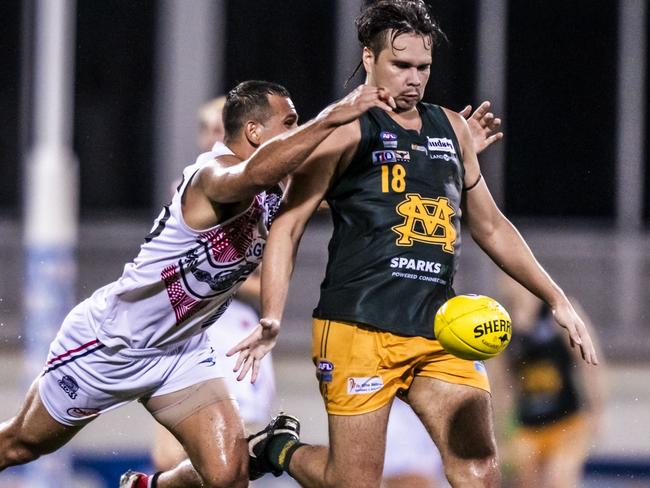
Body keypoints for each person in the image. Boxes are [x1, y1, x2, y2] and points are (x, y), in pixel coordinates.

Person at [230, 2, 598, 487]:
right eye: (400, 65)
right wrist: (273, 316)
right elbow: (289, 224)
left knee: (479, 470)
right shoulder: (341, 129)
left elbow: (490, 226)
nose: (414, 78)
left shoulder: (453, 130)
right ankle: (279, 448)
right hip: (358, 328)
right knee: (352, 481)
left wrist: (555, 298)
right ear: (369, 58)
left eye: (423, 67)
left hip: (437, 329)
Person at [0, 79, 395, 488]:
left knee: (228, 476)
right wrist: (334, 115)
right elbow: (254, 174)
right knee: (20, 446)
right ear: (254, 132)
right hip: (114, 342)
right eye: (289, 122)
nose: (296, 131)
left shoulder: (276, 189)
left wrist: (441, 154)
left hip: (181, 350)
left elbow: (359, 193)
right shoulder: (212, 173)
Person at [150, 96, 276, 473]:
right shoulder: (188, 185)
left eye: (218, 129)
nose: (210, 138)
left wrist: (208, 279)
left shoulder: (263, 194)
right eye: (204, 129)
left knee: (228, 456)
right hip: (185, 325)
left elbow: (266, 280)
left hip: (229, 325)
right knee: (168, 456)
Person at [489, 274, 605, 488]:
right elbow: (500, 386)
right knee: (528, 483)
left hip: (567, 422)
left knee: (558, 481)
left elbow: (589, 362)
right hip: (529, 426)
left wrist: (597, 408)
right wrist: (501, 434)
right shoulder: (501, 327)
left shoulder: (558, 314)